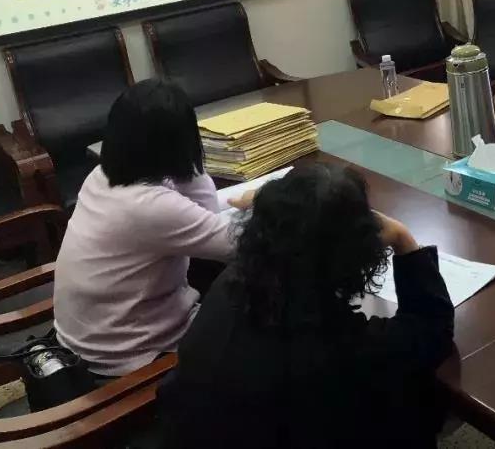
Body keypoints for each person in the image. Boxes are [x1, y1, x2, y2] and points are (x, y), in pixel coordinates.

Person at [158, 163, 455, 449]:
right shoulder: (345, 347)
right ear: (357, 250)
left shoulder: (230, 284)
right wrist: (404, 241)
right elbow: (432, 329)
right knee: (417, 395)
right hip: (289, 431)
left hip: (194, 433)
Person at [53, 79, 250, 377]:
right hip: (130, 354)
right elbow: (239, 246)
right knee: (265, 310)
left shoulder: (101, 175)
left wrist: (185, 165)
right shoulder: (150, 206)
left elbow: (205, 223)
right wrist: (263, 198)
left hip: (91, 337)